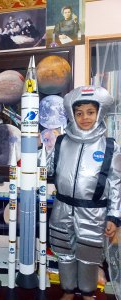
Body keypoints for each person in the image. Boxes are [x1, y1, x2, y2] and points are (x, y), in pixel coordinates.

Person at [47, 86, 121, 300]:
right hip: (62, 208)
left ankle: (88, 293)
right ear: (72, 114)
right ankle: (68, 290)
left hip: (93, 212)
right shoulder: (62, 142)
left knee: (89, 255)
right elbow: (50, 170)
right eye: (79, 113)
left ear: (99, 113)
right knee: (63, 251)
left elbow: (117, 184)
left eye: (90, 112)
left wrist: (113, 217)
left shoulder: (110, 146)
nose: (85, 117)